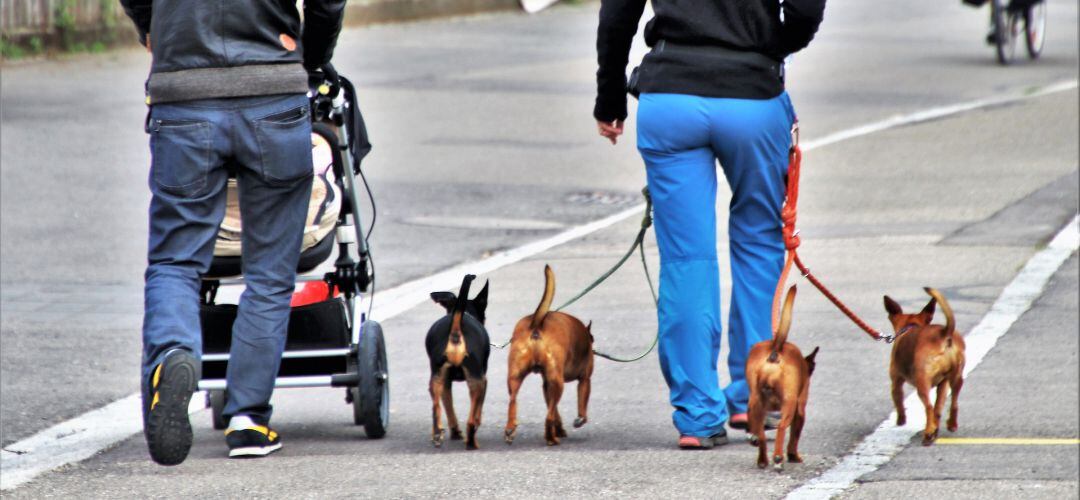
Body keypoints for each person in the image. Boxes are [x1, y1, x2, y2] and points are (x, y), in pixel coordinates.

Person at [121, 0, 346, 464]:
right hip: (272, 94)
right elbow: (327, 2)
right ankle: (247, 420)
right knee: (269, 273)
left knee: (174, 262)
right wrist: (313, 54)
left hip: (182, 96)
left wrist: (153, 30)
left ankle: (172, 356)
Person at [594, 0, 825, 448]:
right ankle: (754, 392)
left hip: (671, 97)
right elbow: (805, 9)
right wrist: (767, 49)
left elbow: (617, 13)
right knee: (759, 242)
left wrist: (610, 97)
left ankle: (697, 414)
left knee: (686, 259)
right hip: (752, 98)